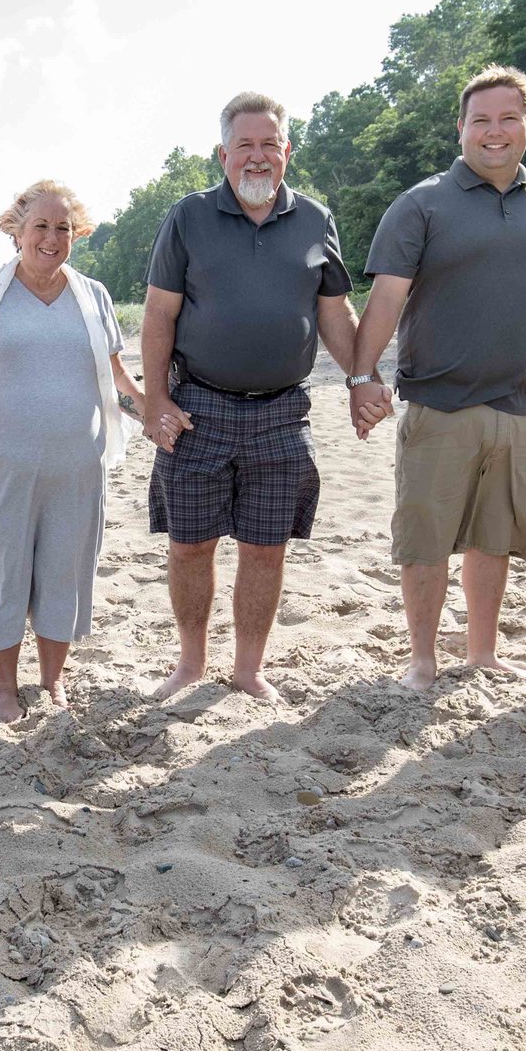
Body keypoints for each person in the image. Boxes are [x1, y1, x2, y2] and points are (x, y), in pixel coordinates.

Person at [350, 64, 526, 686]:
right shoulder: (422, 203)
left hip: (521, 407)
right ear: (461, 128)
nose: (495, 131)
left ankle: (482, 653)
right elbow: (385, 299)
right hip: (439, 403)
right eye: (481, 120)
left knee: (497, 536)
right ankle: (422, 659)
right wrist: (363, 374)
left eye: (508, 118)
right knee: (426, 537)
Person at [140, 91, 358, 701]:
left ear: (286, 152)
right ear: (223, 154)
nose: (256, 157)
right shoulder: (187, 217)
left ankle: (248, 669)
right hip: (197, 407)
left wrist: (362, 378)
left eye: (269, 144)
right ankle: (189, 664)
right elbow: (158, 315)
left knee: (266, 547)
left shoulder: (316, 220)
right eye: (244, 145)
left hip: (283, 413)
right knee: (190, 545)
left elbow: (334, 312)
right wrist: (154, 400)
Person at [0, 180, 145, 721]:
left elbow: (116, 372)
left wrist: (151, 407)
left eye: (63, 228)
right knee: (2, 572)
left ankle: (52, 683)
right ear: (17, 230)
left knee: (65, 572)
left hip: (78, 467)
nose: (52, 238)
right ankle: (6, 687)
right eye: (41, 226)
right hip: (0, 466)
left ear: (75, 235)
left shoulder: (93, 295)